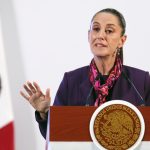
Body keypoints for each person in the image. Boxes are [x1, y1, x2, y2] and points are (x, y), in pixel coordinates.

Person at [20, 8, 150, 139]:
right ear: (89, 35)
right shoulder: (71, 81)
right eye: (96, 29)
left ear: (122, 40)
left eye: (109, 31)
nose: (100, 35)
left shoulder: (141, 81)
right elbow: (57, 137)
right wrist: (45, 112)